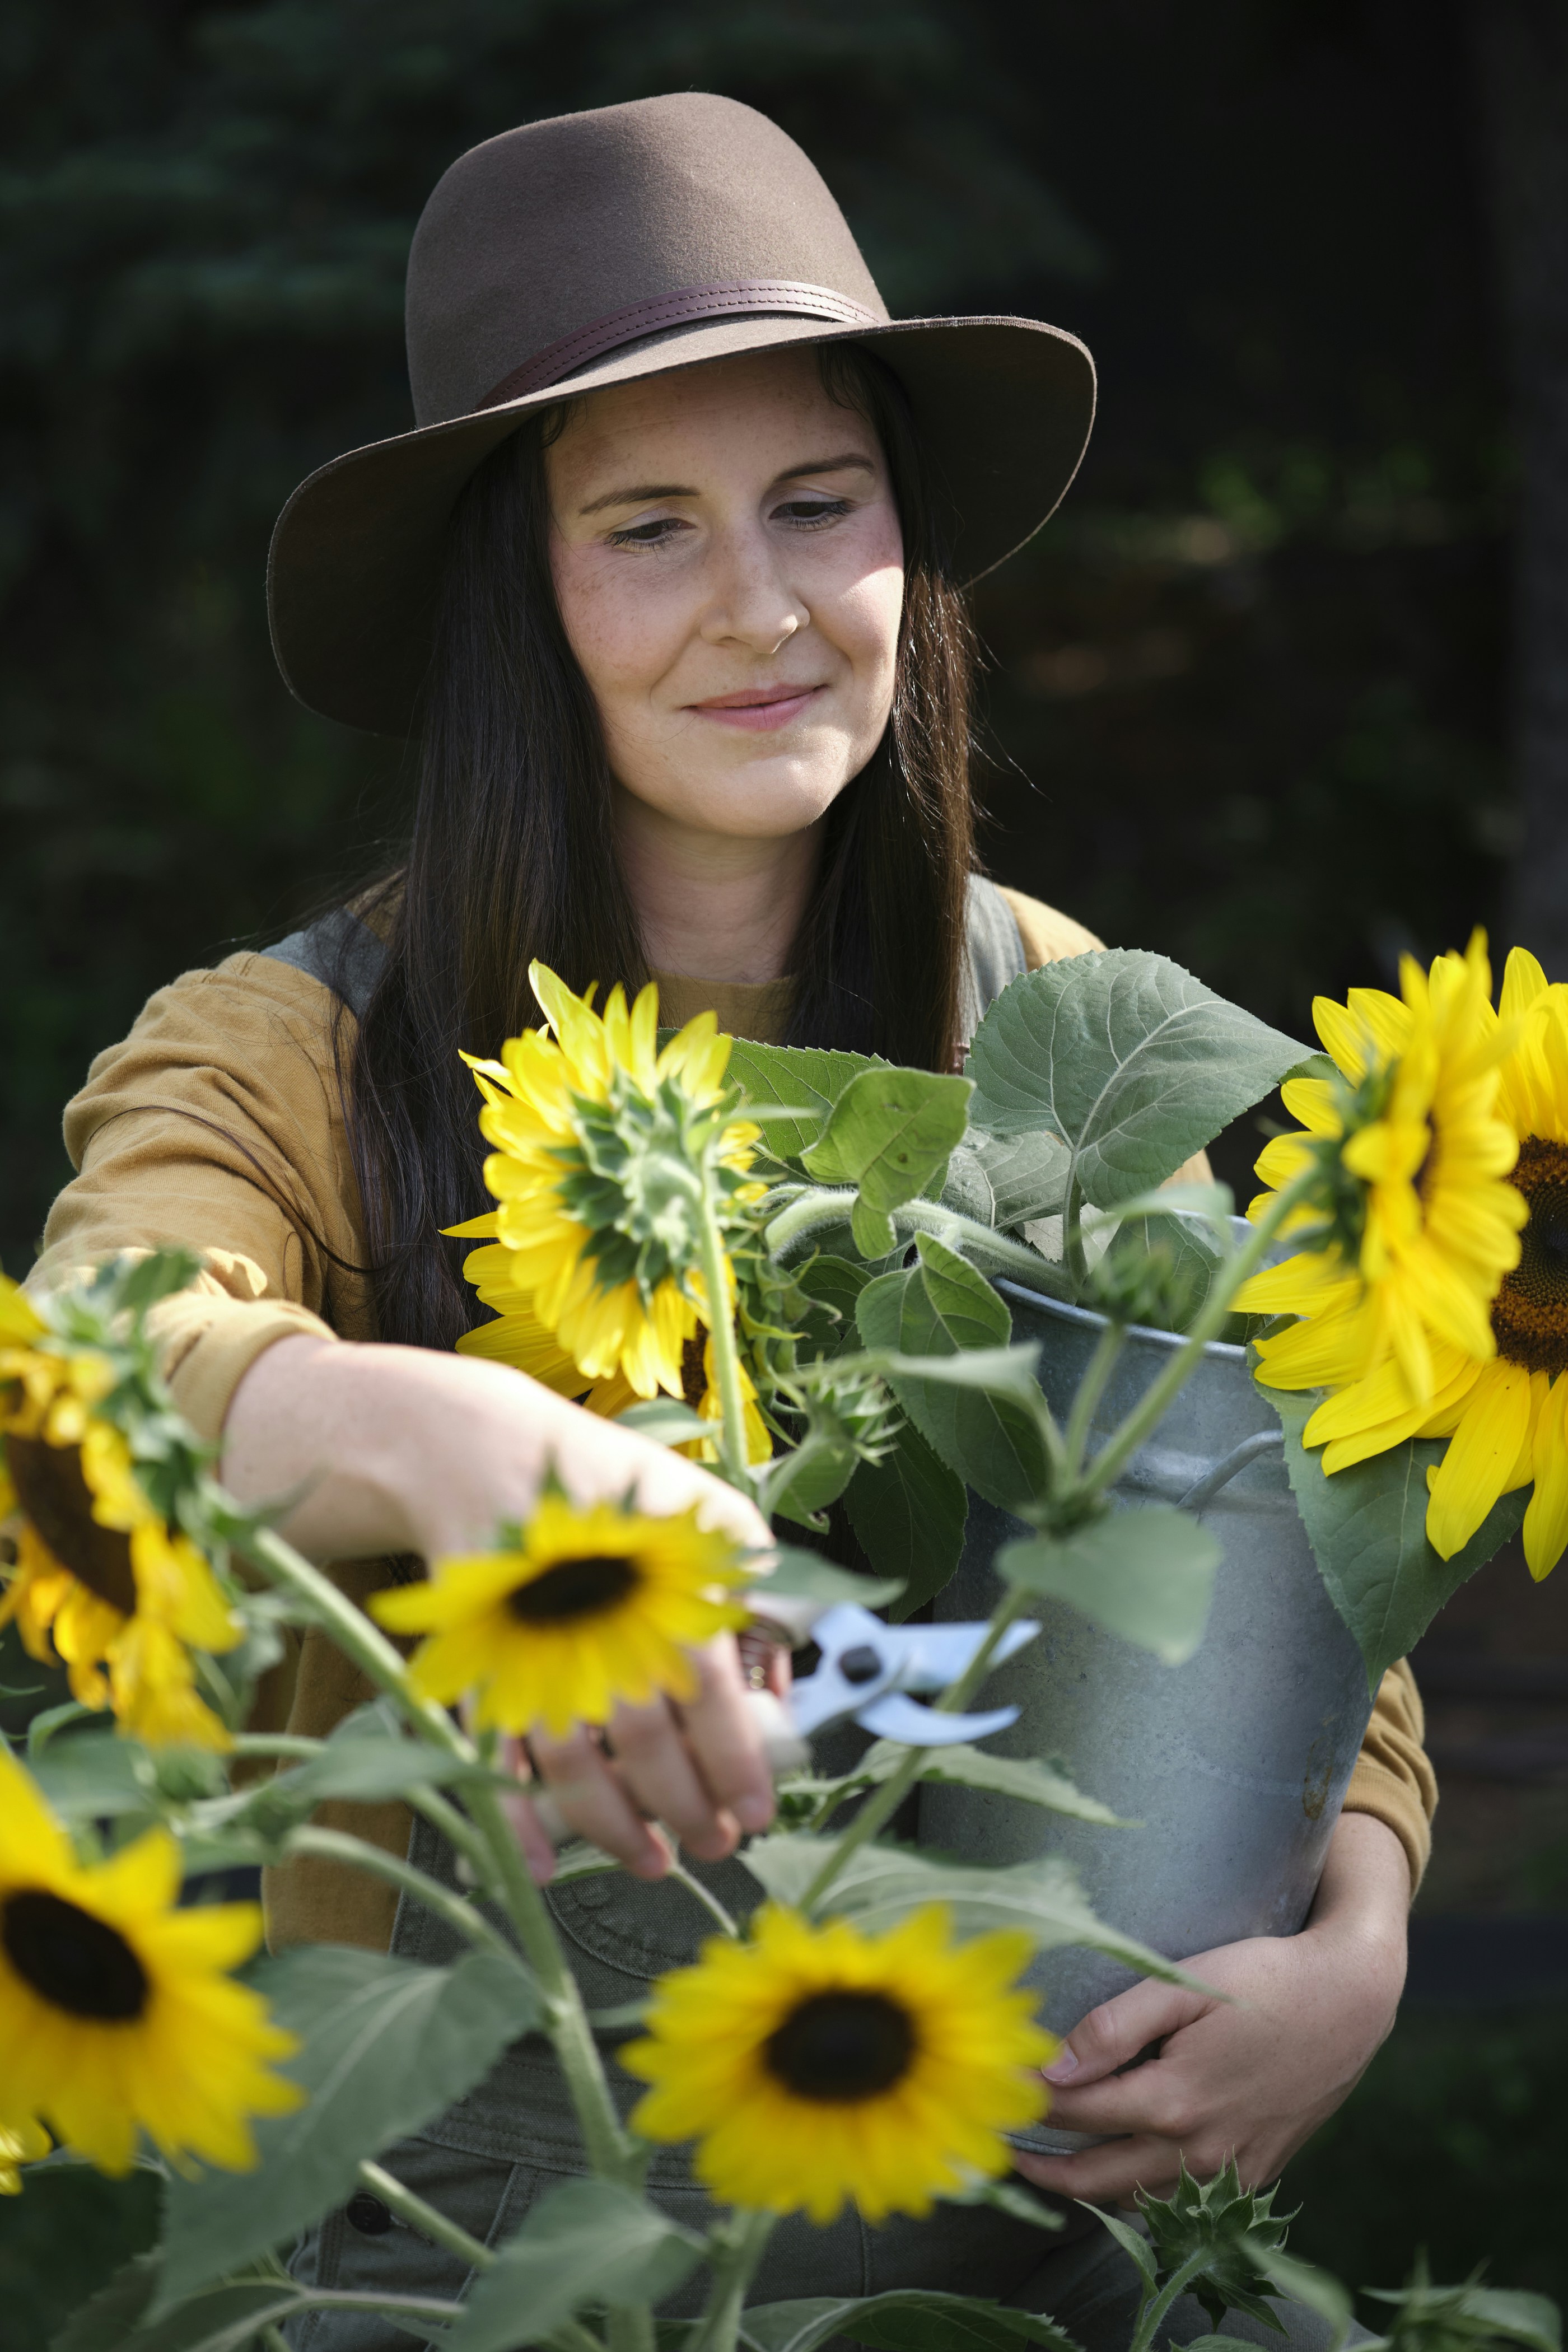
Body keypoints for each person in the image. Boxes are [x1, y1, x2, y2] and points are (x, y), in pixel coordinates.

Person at [31, 94, 1429, 2350]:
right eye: (649, 531)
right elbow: (90, 1363)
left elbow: (1292, 1559)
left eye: (819, 505)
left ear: (908, 544)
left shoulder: (1057, 1026)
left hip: (1014, 2252)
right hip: (483, 2263)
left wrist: (1351, 1939)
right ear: (520, 595)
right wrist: (456, 1447)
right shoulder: (300, 1055)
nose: (764, 608)